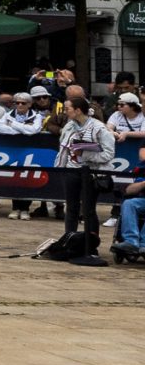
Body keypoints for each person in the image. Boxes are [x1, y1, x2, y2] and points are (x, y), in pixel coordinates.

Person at [39, 93, 114, 264]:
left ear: (78, 110)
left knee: (88, 210)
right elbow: (63, 147)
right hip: (71, 171)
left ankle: (91, 246)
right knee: (71, 208)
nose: (65, 112)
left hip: (92, 173)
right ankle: (69, 242)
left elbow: (109, 154)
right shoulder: (69, 126)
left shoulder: (99, 128)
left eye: (68, 109)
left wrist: (85, 153)